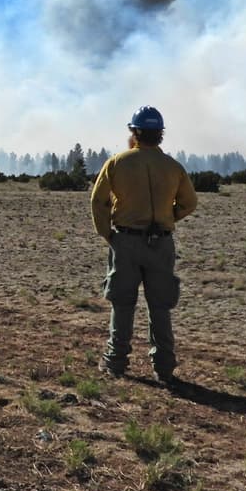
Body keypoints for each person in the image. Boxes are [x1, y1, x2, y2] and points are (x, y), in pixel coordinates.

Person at [89, 106, 197, 382]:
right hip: (161, 244)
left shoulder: (116, 163)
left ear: (134, 132)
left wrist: (108, 235)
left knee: (122, 304)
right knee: (159, 307)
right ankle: (164, 368)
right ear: (160, 134)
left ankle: (115, 362)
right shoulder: (173, 167)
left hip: (125, 241)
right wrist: (167, 218)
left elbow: (97, 201)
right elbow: (189, 203)